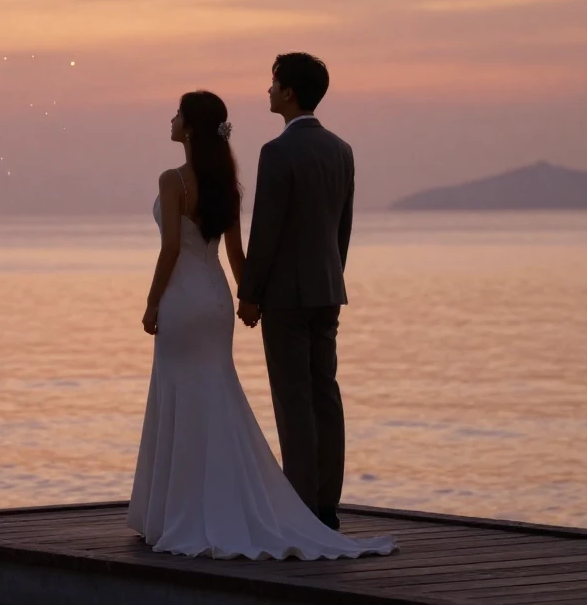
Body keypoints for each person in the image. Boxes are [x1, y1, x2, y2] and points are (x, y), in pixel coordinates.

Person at [126, 87, 392, 560]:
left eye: (178, 114)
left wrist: (151, 304)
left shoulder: (172, 180)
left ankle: (174, 510)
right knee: (215, 393)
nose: (171, 120)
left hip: (183, 300)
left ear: (191, 127)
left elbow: (170, 250)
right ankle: (231, 501)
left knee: (177, 393)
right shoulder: (226, 184)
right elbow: (235, 254)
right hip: (215, 301)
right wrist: (248, 300)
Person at [237, 52, 355, 531]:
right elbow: (342, 229)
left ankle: (301, 507)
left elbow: (266, 229)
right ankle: (327, 504)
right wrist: (332, 275)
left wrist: (250, 293)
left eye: (272, 83)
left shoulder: (277, 152)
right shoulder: (341, 150)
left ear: (288, 92)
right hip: (328, 289)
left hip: (287, 296)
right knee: (325, 394)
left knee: (293, 400)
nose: (267, 90)